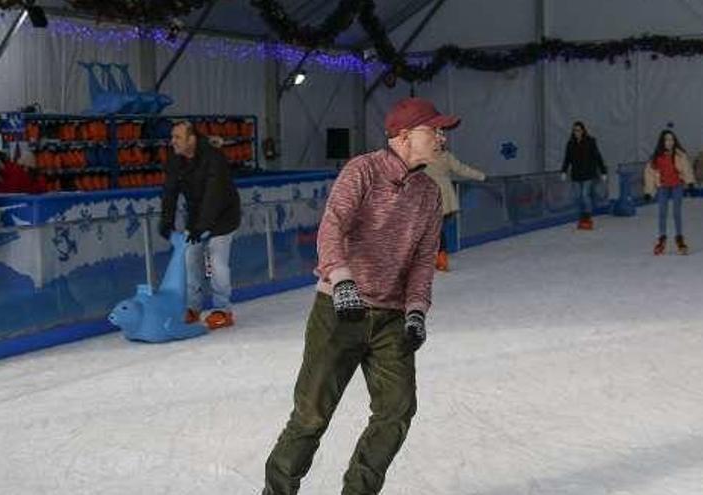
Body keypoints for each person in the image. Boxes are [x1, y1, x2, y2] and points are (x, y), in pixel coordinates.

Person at [262, 97, 452, 495]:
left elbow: (421, 262)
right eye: (432, 129)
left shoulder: (430, 193)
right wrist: (343, 281)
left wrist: (417, 311)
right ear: (404, 136)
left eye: (441, 130)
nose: (441, 136)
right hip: (338, 311)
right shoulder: (362, 171)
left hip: (391, 319)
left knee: (396, 412)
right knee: (311, 415)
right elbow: (332, 228)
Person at [158, 121, 240, 330]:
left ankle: (223, 309)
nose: (173, 142)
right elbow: (170, 192)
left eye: (177, 137)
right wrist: (166, 222)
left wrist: (202, 226)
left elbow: (215, 194)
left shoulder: (214, 157)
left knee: (216, 261)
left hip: (223, 216)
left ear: (191, 139)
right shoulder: (176, 161)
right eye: (172, 137)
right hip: (196, 217)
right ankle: (193, 307)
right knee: (189, 258)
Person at [423, 144, 486, 271]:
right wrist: (481, 176)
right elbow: (462, 169)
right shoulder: (445, 156)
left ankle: (439, 259)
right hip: (443, 195)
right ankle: (438, 259)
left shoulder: (422, 157)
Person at [643, 129, 696, 255]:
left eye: (671, 139)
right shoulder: (656, 157)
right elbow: (649, 174)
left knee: (677, 213)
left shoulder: (680, 155)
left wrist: (690, 183)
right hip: (663, 187)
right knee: (662, 213)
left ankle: (679, 238)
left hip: (677, 186)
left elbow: (687, 169)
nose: (669, 142)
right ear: (662, 141)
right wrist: (648, 192)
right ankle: (662, 238)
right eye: (667, 139)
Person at [561, 121, 607, 230]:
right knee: (578, 196)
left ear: (583, 130)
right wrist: (563, 171)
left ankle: (587, 216)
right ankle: (582, 216)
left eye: (579, 130)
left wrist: (603, 171)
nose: (577, 132)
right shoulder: (570, 143)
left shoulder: (590, 141)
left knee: (584, 195)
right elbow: (567, 159)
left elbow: (597, 156)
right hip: (576, 174)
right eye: (575, 130)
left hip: (588, 173)